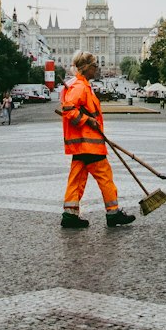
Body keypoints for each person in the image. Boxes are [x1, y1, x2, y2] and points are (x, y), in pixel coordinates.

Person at [57, 51, 135, 229]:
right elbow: (68, 110)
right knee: (105, 176)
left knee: (76, 179)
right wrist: (88, 120)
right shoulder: (80, 87)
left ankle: (69, 216)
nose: (97, 69)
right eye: (94, 66)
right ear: (86, 68)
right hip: (88, 144)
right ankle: (113, 213)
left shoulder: (82, 85)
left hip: (83, 144)